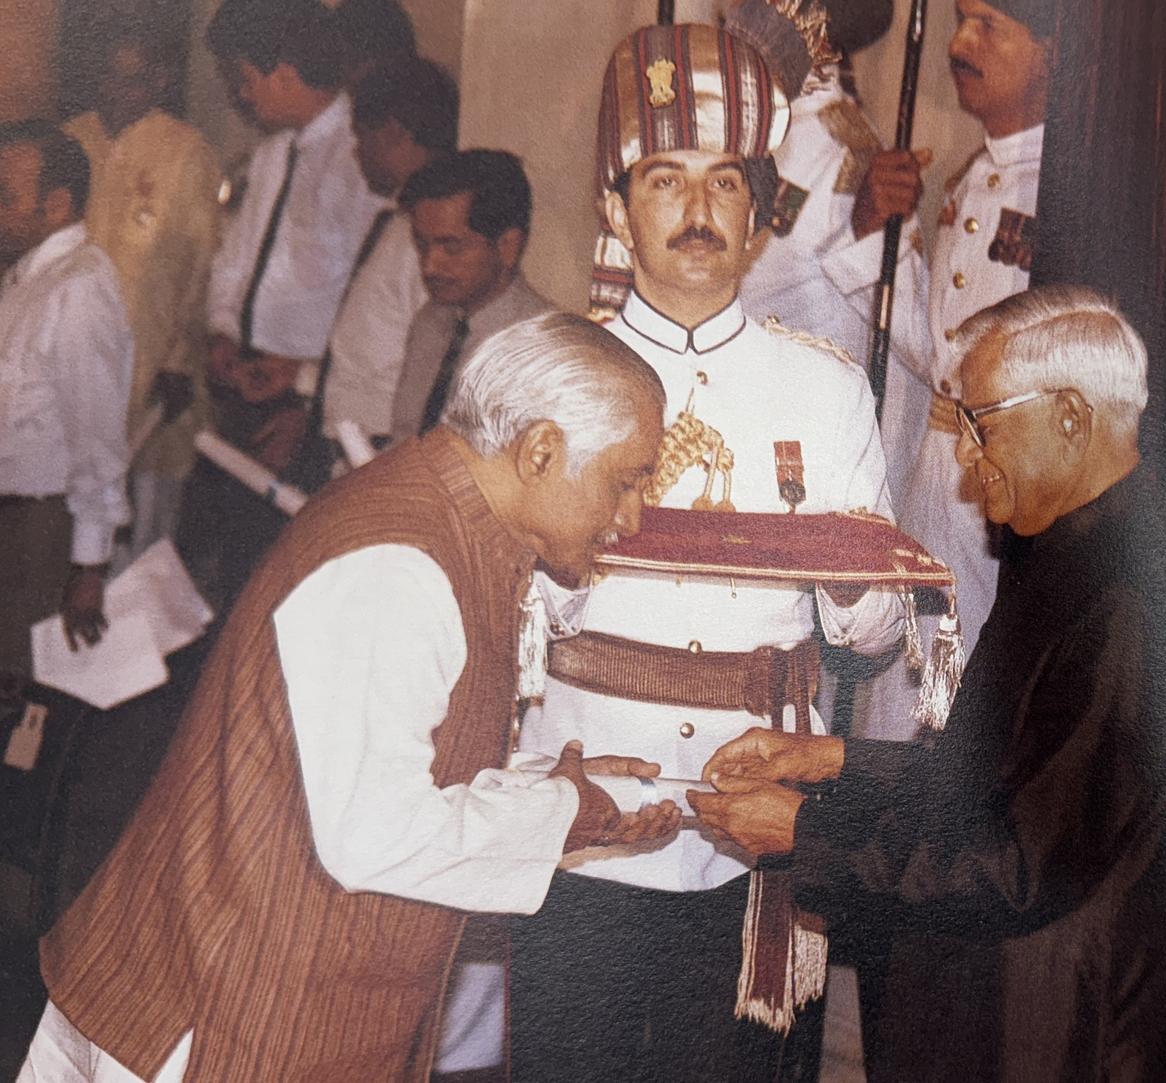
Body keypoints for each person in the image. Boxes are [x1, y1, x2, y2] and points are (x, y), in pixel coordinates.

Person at [18, 313, 681, 1083]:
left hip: (249, 991)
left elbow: (365, 761)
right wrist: (564, 812)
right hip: (214, 1017)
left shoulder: (444, 519)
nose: (630, 516)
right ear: (541, 450)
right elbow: (373, 833)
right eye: (626, 480)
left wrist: (544, 787)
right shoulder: (399, 564)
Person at [510, 24, 904, 1082]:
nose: (696, 211)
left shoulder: (824, 390)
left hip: (757, 817)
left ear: (756, 213)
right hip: (589, 792)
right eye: (666, 179)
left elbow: (876, 633)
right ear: (614, 208)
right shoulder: (546, 380)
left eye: (724, 182)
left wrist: (852, 575)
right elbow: (501, 617)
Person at [692, 286, 1166, 1081]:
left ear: (1070, 415)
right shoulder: (1072, 549)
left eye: (980, 421)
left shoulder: (1125, 597)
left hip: (1051, 1028)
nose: (963, 452)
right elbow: (1001, 785)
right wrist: (831, 759)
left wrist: (805, 832)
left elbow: (1019, 863)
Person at [854, 0, 1054, 742]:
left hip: (1001, 496)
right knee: (904, 691)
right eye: (959, 19)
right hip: (936, 480)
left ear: (1052, 54)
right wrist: (881, 230)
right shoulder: (974, 173)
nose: (959, 44)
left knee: (968, 704)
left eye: (989, 26)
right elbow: (936, 351)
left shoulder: (1063, 187)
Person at [179, 0, 390, 606]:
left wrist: (310, 397)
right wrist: (221, 330)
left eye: (244, 79)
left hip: (303, 402)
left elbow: (358, 306)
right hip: (246, 381)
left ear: (285, 76)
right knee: (221, 564)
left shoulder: (357, 160)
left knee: (273, 573)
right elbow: (236, 262)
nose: (241, 97)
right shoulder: (275, 153)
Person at [728, 0, 931, 510]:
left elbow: (911, 356)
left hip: (806, 472)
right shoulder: (743, 125)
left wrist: (864, 233)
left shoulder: (851, 156)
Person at [63, 26, 222, 560]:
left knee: (141, 537)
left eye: (130, 80)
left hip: (150, 371)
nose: (115, 91)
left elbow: (202, 263)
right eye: (107, 76)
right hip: (71, 363)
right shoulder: (73, 140)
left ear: (158, 79)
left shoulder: (185, 151)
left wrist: (178, 359)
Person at [0, 121, 133, 679]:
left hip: (45, 525)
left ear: (56, 205)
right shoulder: (26, 276)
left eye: (6, 197)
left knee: (23, 690)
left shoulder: (78, 288)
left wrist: (88, 565)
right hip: (16, 518)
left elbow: (97, 434)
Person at [310, 58, 458, 468]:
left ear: (394, 132)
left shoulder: (429, 238)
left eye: (362, 136)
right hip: (351, 442)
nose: (357, 152)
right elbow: (376, 349)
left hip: (381, 451)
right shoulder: (397, 223)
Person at [390, 150, 552, 443]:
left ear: (507, 247)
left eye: (451, 247)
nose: (429, 266)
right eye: (421, 244)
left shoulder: (539, 346)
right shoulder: (432, 320)